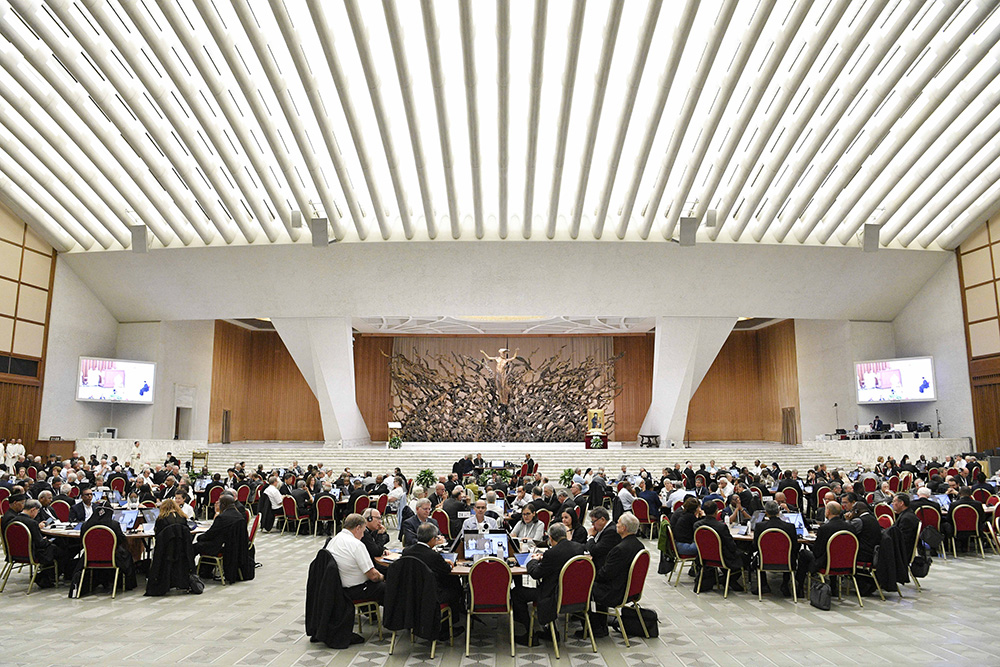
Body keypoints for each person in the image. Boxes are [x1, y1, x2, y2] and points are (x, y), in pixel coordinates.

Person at [512, 523, 585, 646]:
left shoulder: (552, 554)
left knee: (517, 593)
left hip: (552, 595)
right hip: (574, 593)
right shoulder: (579, 548)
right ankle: (548, 630)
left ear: (550, 538)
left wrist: (533, 560)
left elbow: (535, 573)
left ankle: (529, 633)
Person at [400, 521, 465, 635]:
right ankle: (448, 626)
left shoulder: (406, 551)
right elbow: (447, 570)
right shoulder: (433, 556)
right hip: (431, 595)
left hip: (411, 592)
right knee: (455, 588)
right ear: (431, 540)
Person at [587, 512, 645, 637]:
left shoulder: (620, 549)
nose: (616, 525)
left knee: (587, 587)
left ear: (624, 528)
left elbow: (605, 574)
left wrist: (589, 577)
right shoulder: (639, 545)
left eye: (618, 522)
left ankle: (596, 628)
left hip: (615, 591)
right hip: (630, 589)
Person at [327, 513, 384, 604]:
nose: (362, 536)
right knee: (388, 587)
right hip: (354, 589)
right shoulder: (356, 545)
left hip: (337, 587)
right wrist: (383, 577)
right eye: (363, 531)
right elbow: (373, 576)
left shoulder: (334, 539)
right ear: (358, 528)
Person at [796, 501, 854, 590]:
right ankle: (834, 586)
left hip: (826, 564)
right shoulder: (850, 527)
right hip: (846, 563)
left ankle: (799, 587)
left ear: (828, 511)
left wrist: (809, 544)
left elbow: (817, 552)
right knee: (833, 552)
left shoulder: (824, 528)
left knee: (803, 553)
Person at [694, 500, 745, 590]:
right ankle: (728, 579)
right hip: (722, 558)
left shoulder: (697, 525)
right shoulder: (721, 526)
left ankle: (726, 579)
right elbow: (731, 546)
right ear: (716, 511)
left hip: (704, 557)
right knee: (745, 558)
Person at [753, 501, 798, 596]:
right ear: (778, 511)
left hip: (764, 560)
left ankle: (763, 584)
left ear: (766, 512)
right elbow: (795, 547)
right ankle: (785, 584)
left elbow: (755, 546)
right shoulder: (790, 527)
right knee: (790, 554)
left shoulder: (760, 526)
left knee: (756, 556)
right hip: (787, 561)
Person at [11, 499, 59, 587]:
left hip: (17, 553)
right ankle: (46, 576)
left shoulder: (13, 520)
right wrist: (47, 540)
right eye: (37, 511)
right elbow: (40, 544)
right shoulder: (32, 523)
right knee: (58, 549)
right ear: (33, 510)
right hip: (33, 553)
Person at [586, 506, 621, 572]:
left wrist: (590, 536)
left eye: (593, 522)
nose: (592, 525)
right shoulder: (603, 529)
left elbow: (595, 551)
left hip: (603, 569)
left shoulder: (611, 532)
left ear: (602, 519)